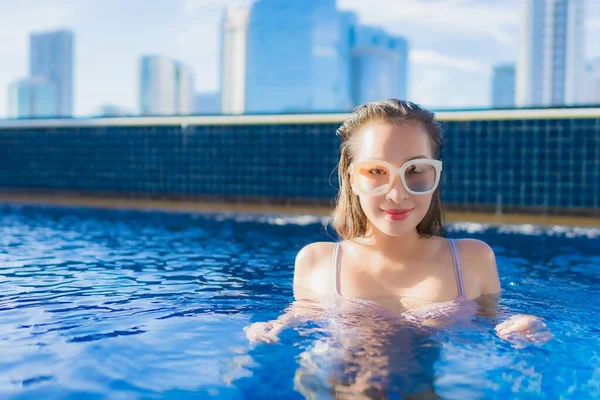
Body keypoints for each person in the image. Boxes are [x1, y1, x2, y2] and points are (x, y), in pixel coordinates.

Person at [245, 99, 552, 345]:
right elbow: (302, 313)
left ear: (436, 175)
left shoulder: (472, 258)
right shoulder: (318, 259)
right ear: (352, 179)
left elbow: (493, 316)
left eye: (415, 169)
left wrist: (522, 322)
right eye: (376, 171)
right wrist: (275, 325)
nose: (396, 193)